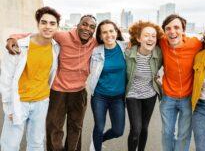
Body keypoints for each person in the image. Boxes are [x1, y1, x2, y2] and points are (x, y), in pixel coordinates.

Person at [5, 14, 98, 151]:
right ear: (77, 25)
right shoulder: (63, 36)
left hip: (79, 92)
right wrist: (13, 37)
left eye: (91, 27)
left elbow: (112, 41)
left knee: (76, 127)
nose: (87, 29)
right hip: (58, 90)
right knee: (54, 127)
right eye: (84, 24)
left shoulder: (94, 42)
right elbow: (38, 35)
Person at [0, 6, 60, 151]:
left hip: (41, 101)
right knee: (10, 144)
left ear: (57, 26)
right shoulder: (18, 46)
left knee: (37, 143)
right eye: (44, 22)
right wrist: (8, 106)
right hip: (19, 101)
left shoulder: (56, 47)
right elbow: (6, 78)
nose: (48, 27)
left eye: (52, 23)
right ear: (38, 24)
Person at [159, 14, 203, 151]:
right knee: (167, 133)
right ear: (164, 32)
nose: (172, 31)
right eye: (168, 28)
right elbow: (143, 37)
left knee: (184, 134)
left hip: (188, 99)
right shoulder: (161, 42)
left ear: (183, 30)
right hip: (168, 98)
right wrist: (132, 42)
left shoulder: (195, 44)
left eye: (176, 27)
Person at [88, 20, 127, 151]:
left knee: (118, 130)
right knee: (99, 127)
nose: (108, 35)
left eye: (111, 31)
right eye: (104, 32)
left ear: (116, 32)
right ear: (100, 36)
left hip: (118, 97)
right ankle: (96, 146)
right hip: (100, 96)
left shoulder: (125, 47)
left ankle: (98, 139)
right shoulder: (95, 51)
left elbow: (148, 41)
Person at [125, 21, 164, 151]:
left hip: (150, 94)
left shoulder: (159, 53)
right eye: (146, 35)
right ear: (138, 38)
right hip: (132, 94)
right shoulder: (128, 53)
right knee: (136, 129)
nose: (150, 39)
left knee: (144, 128)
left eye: (153, 36)